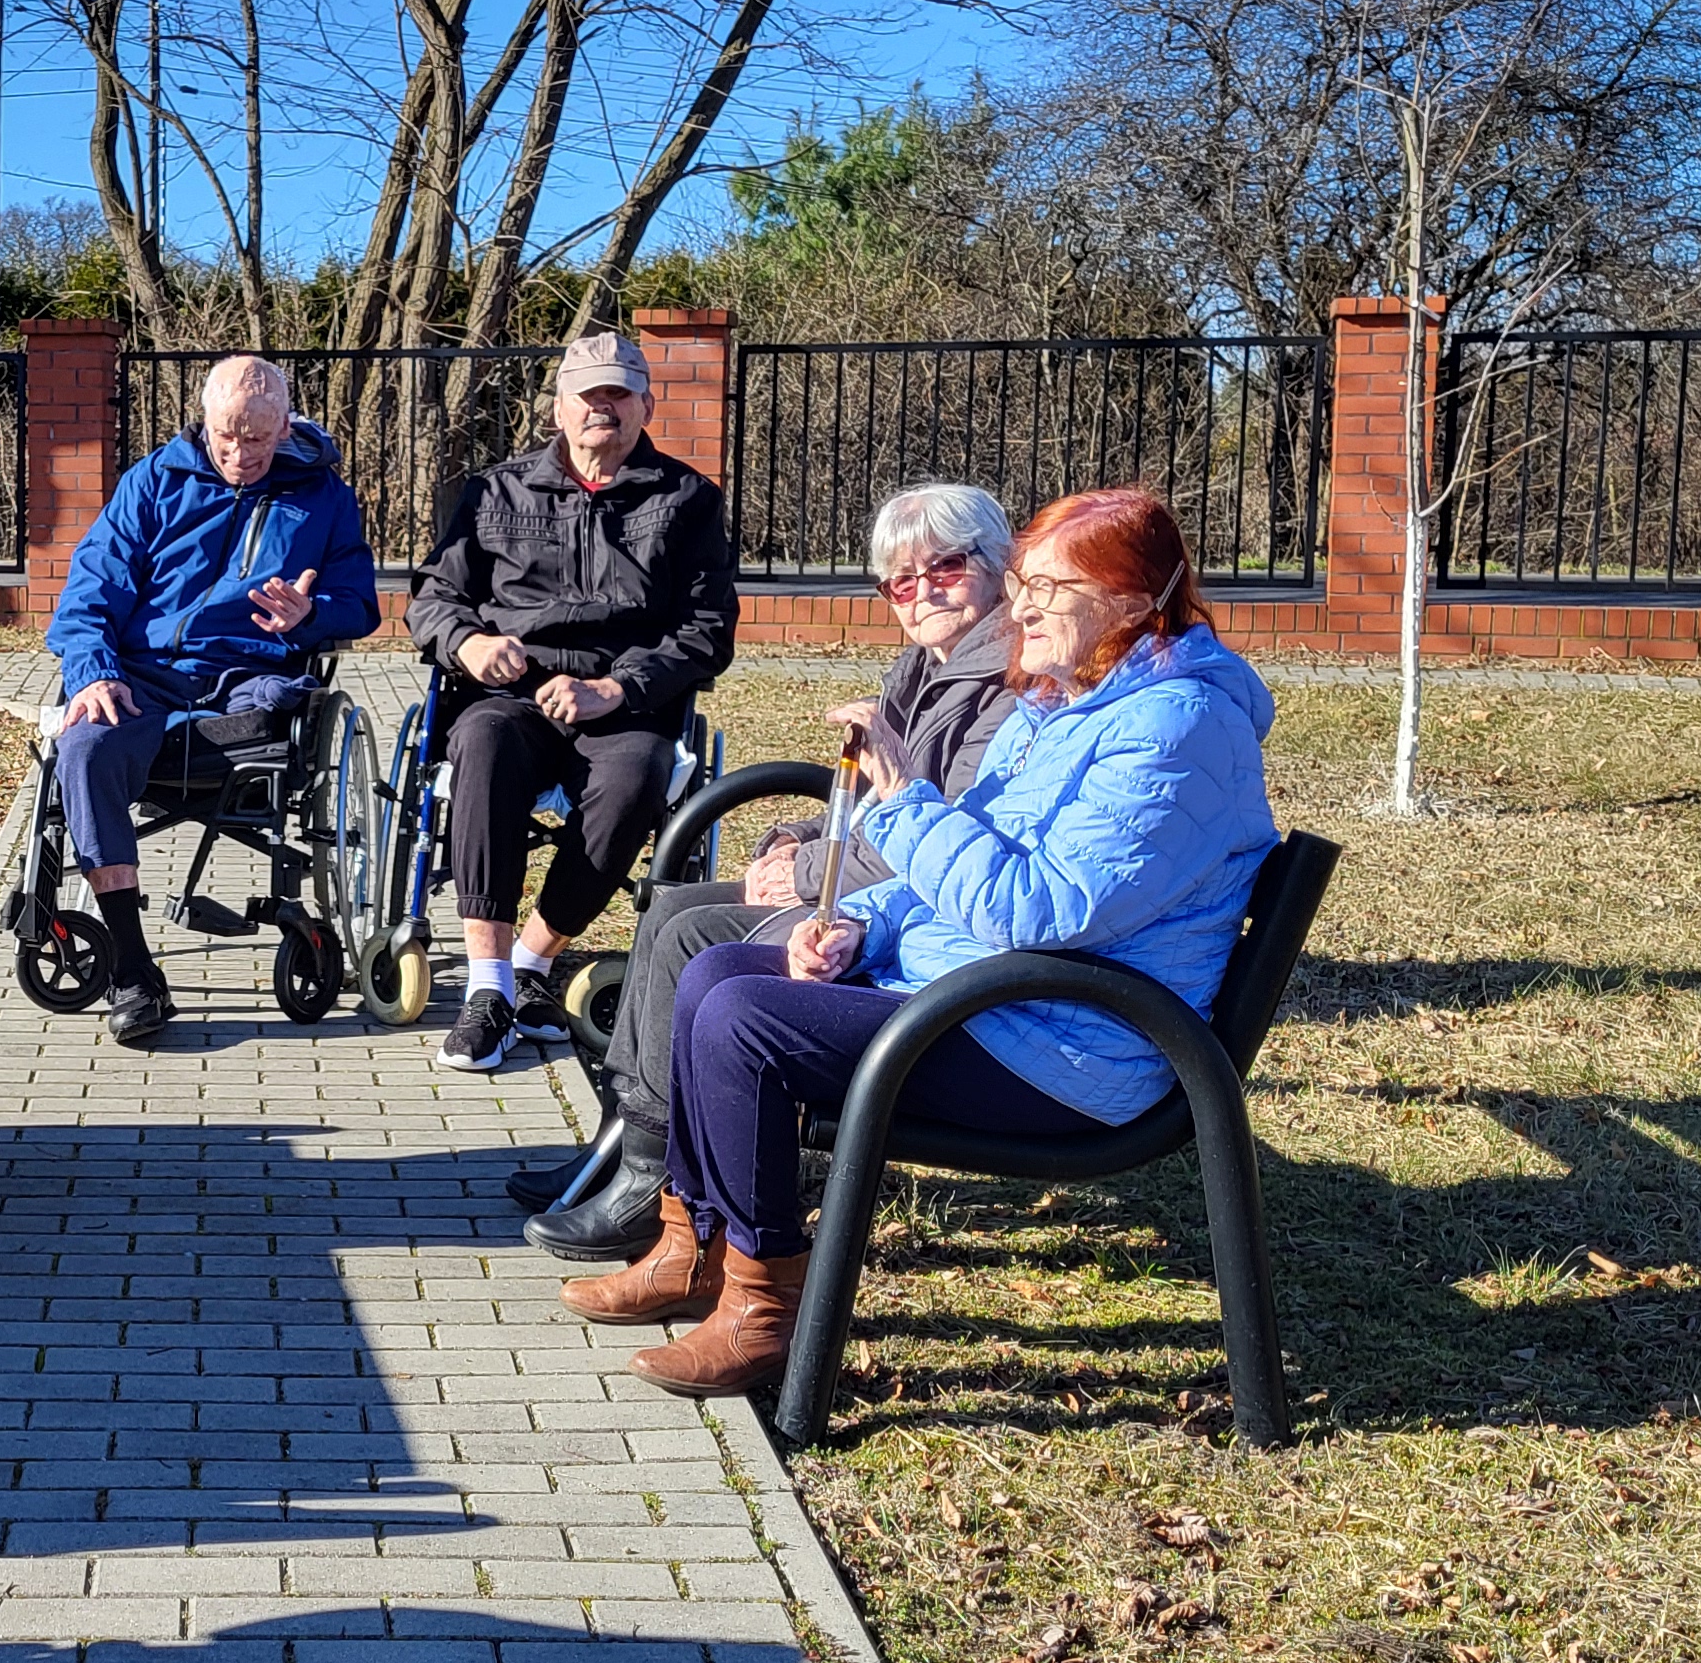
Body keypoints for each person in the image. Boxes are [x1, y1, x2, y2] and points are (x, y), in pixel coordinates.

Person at [558, 489, 1280, 1400]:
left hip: (1073, 1046)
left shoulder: (1178, 727)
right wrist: (864, 923)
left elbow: (1041, 908)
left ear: (1131, 604)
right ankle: (694, 1244)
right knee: (715, 970)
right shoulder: (1066, 704)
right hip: (996, 995)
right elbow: (972, 857)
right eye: (1022, 584)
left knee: (744, 1016)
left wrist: (902, 802)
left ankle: (765, 1307)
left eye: (1051, 590)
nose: (1021, 608)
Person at [519, 482, 1022, 1260]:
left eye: (945, 568)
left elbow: (940, 838)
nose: (921, 593)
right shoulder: (924, 664)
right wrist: (789, 840)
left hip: (907, 913)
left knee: (695, 935)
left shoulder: (1006, 687)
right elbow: (866, 798)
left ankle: (652, 1185)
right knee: (671, 905)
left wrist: (811, 869)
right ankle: (630, 1139)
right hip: (868, 881)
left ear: (996, 567)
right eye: (900, 580)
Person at [405, 329, 738, 1072]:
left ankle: (531, 959)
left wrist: (617, 687)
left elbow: (707, 631)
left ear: (645, 405)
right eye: (589, 396)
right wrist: (468, 645)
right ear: (558, 408)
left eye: (618, 395)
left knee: (638, 778)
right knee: (482, 745)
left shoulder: (687, 500)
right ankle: (487, 989)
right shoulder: (494, 492)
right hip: (510, 695)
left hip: (624, 701)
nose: (603, 409)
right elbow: (432, 598)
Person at [43, 355, 382, 1043]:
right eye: (227, 435)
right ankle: (134, 968)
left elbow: (360, 605)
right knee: (83, 746)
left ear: (285, 425)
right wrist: (94, 673)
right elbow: (87, 594)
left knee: (277, 719)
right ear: (205, 421)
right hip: (143, 677)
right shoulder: (153, 482)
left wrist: (308, 617)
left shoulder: (323, 497)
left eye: (257, 438)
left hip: (248, 681)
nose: (240, 453)